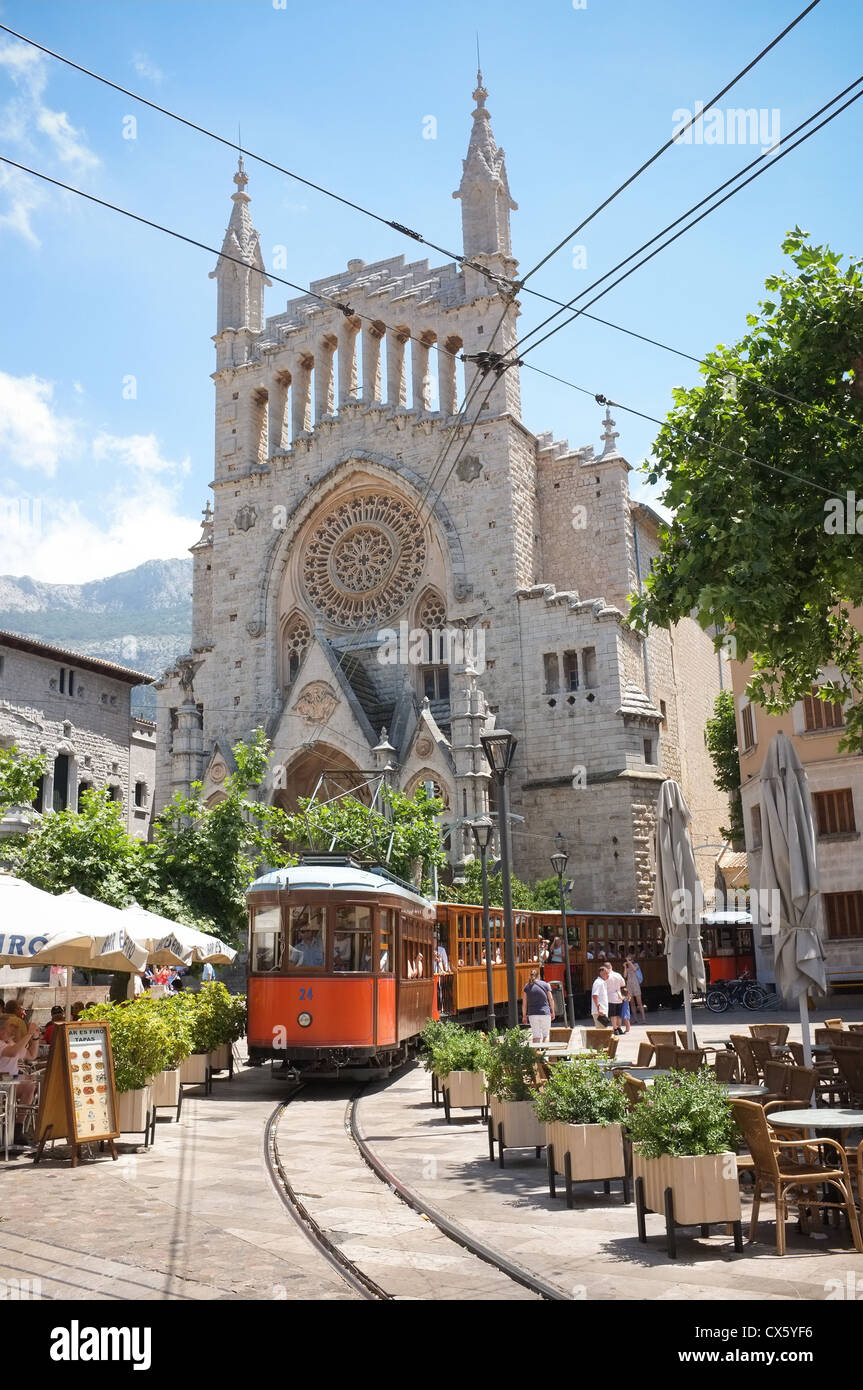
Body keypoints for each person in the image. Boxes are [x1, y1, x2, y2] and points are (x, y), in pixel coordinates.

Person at [0, 1016, 40, 1147]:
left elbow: (31, 1055)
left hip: (9, 1083)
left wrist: (35, 1037)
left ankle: (18, 1127)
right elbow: (12, 1053)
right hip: (3, 1085)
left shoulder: (9, 1043)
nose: (12, 1031)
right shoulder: (2, 1045)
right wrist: (28, 1034)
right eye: (9, 1028)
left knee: (30, 1085)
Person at [521, 968, 554, 1043]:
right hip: (545, 1013)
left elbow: (524, 1003)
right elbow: (551, 999)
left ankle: (536, 1054)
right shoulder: (545, 984)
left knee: (536, 1035)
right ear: (539, 976)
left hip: (532, 1014)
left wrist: (524, 1015)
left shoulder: (526, 987)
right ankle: (545, 1054)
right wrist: (553, 1012)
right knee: (546, 1034)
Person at [624, 952, 647, 1022]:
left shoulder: (636, 965)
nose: (628, 961)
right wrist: (625, 967)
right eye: (627, 959)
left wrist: (629, 962)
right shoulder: (627, 967)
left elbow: (634, 969)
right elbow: (625, 976)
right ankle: (635, 1019)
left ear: (632, 960)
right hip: (629, 985)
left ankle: (644, 1019)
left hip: (636, 984)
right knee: (632, 1003)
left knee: (639, 1002)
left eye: (630, 959)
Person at [605, 961, 626, 1034]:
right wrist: (617, 986)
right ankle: (619, 1028)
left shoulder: (606, 976)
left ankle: (615, 1029)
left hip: (610, 997)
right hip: (619, 996)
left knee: (613, 1014)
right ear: (611, 967)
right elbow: (623, 984)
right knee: (618, 1014)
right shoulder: (618, 974)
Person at [591, 962, 612, 1028]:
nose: (608, 975)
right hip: (599, 1012)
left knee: (603, 1030)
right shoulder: (598, 982)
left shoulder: (602, 982)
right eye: (606, 973)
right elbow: (594, 996)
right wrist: (599, 1008)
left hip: (602, 1011)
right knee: (601, 1031)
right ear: (601, 973)